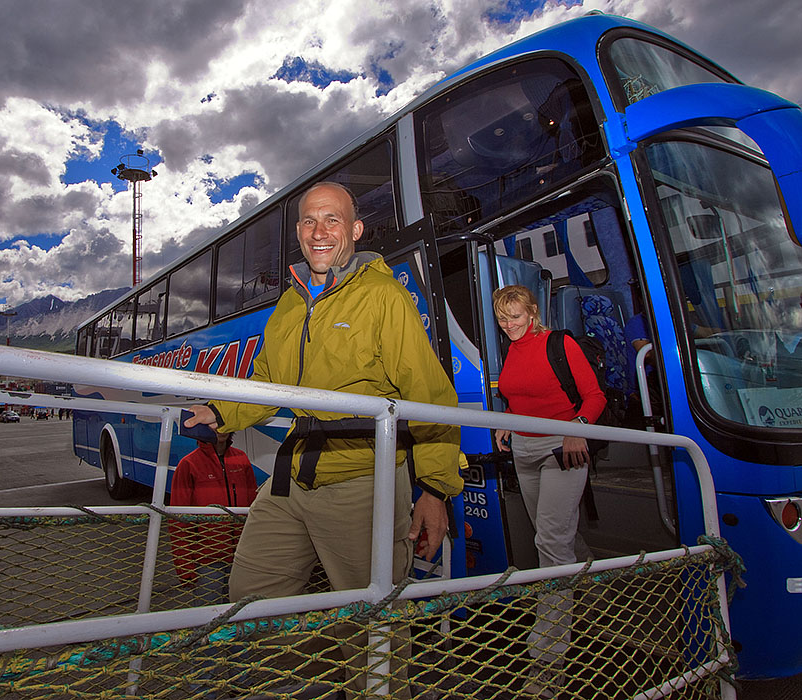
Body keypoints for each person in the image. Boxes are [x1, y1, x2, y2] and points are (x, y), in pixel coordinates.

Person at [183, 181, 464, 693]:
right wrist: (219, 411)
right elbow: (268, 383)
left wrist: (436, 490)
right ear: (298, 233)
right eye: (310, 221)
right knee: (250, 604)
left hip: (362, 478)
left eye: (332, 219)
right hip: (291, 478)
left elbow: (431, 398)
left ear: (354, 230)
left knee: (373, 630)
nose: (320, 231)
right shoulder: (288, 307)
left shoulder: (384, 297)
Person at [492, 284, 606, 698]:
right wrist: (506, 418)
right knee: (557, 533)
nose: (509, 325)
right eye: (503, 319)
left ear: (533, 312)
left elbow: (594, 396)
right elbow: (519, 396)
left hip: (563, 447)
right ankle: (592, 587)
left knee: (550, 543)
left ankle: (547, 660)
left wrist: (577, 430)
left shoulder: (559, 343)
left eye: (516, 316)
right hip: (523, 448)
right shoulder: (512, 347)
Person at [169, 431, 258, 604]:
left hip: (241, 558)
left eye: (222, 423)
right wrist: (184, 565)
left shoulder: (241, 459)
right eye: (212, 425)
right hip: (207, 561)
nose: (220, 429)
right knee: (208, 616)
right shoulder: (188, 464)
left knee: (239, 612)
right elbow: (179, 520)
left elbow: (254, 509)